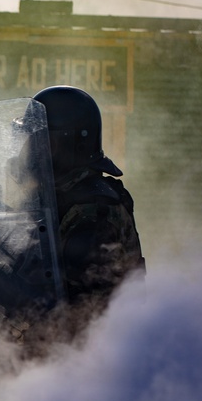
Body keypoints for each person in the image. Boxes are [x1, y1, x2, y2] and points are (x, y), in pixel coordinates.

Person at [32, 85, 145, 334]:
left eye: (42, 141)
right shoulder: (56, 196)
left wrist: (4, 285)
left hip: (99, 354)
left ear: (73, 143)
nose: (30, 151)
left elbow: (80, 304)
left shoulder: (93, 209)